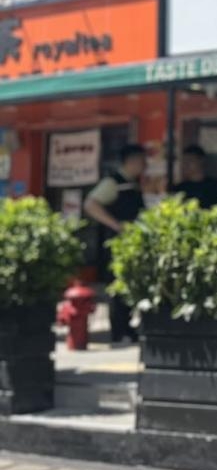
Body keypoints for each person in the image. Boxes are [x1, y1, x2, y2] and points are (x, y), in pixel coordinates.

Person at [83, 144, 147, 343]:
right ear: (131, 161)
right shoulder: (112, 182)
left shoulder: (132, 184)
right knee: (117, 289)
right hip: (116, 245)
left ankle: (127, 328)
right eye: (142, 160)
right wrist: (117, 225)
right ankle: (119, 331)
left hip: (129, 245)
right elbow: (90, 204)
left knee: (127, 286)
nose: (144, 165)